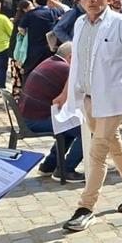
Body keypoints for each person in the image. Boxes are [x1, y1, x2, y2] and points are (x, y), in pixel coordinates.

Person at [53, 0, 122, 232]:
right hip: (88, 96)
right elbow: (77, 63)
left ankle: (85, 207)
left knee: (96, 151)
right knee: (112, 142)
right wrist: (65, 92)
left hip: (116, 97)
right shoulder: (79, 23)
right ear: (80, 0)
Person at [18, 42, 84, 181]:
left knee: (70, 126)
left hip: (29, 116)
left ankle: (49, 165)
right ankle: (67, 169)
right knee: (87, 131)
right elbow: (78, 95)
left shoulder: (50, 62)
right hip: (37, 120)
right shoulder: (64, 69)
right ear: (71, 57)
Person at [20, 0, 63, 74]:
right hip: (51, 47)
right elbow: (65, 9)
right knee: (49, 72)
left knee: (32, 72)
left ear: (34, 0)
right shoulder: (54, 11)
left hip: (34, 48)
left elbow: (21, 29)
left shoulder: (30, 14)